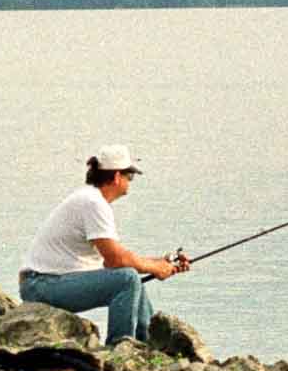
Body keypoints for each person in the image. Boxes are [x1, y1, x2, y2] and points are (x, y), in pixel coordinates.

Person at [20, 144, 188, 345]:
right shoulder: (93, 203)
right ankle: (121, 346)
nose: (130, 183)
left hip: (49, 282)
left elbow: (114, 261)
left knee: (129, 277)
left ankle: (150, 344)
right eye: (130, 177)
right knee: (126, 279)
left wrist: (162, 262)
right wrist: (156, 268)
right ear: (117, 177)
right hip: (41, 285)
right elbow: (116, 259)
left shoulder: (90, 199)